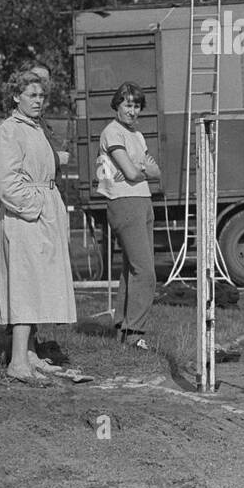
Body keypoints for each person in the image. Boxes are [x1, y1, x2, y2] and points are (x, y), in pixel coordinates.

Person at [0, 69, 78, 384]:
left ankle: (31, 355)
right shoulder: (9, 131)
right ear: (16, 97)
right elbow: (4, 182)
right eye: (31, 95)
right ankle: (16, 361)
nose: (38, 101)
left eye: (41, 96)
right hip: (25, 219)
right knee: (25, 284)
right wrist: (35, 207)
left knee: (38, 284)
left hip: (43, 218)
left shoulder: (34, 128)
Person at [98, 81, 162, 349]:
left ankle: (124, 330)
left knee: (131, 269)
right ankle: (135, 332)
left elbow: (156, 173)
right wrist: (139, 169)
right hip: (124, 202)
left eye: (136, 106)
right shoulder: (112, 132)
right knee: (145, 271)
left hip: (143, 200)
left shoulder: (136, 135)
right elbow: (136, 172)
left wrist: (138, 169)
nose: (132, 111)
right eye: (127, 105)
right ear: (117, 105)